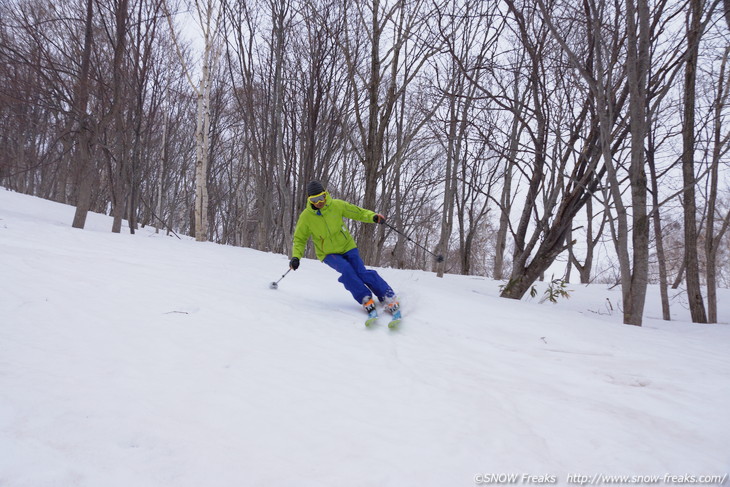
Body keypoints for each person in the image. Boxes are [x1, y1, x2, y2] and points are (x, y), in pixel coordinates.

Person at [289, 180, 399, 316]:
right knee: (347, 271)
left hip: (347, 246)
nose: (319, 202)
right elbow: (299, 239)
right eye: (315, 200)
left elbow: (357, 212)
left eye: (321, 197)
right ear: (310, 200)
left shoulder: (337, 205)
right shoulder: (306, 217)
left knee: (361, 272)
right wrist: (296, 257)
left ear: (325, 194)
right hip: (328, 253)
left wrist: (373, 217)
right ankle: (365, 299)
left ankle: (387, 297)